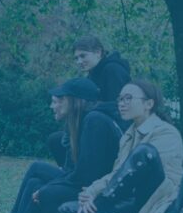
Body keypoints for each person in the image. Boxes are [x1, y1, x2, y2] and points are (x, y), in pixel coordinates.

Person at [51, 80, 183, 213]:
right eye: (120, 99)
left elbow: (157, 180)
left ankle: (104, 207)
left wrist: (104, 199)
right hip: (128, 201)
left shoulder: (165, 133)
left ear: (149, 104)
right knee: (67, 210)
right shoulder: (129, 135)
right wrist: (91, 191)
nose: (122, 103)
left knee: (144, 153)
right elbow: (116, 173)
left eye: (128, 98)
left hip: (156, 206)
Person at [0, 78, 121, 213]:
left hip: (101, 192)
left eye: (59, 100)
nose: (53, 105)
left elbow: (87, 175)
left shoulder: (95, 120)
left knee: (46, 190)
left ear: (76, 101)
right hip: (89, 185)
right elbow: (75, 170)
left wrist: (49, 188)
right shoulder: (82, 122)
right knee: (36, 183)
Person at [48, 36, 132, 165]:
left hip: (117, 133)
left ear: (98, 52)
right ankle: (69, 172)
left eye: (83, 56)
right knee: (56, 140)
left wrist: (87, 109)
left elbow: (118, 108)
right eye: (76, 58)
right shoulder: (92, 75)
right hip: (95, 128)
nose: (79, 61)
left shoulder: (113, 70)